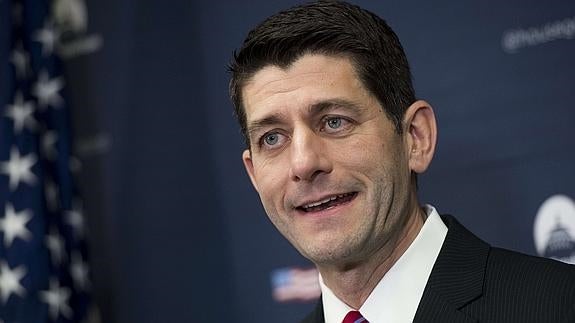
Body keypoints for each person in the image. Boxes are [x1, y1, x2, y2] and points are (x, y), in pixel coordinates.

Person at [228, 1, 575, 322]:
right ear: (254, 174)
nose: (303, 163)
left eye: (334, 121)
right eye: (272, 138)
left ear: (415, 138)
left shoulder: (558, 305)